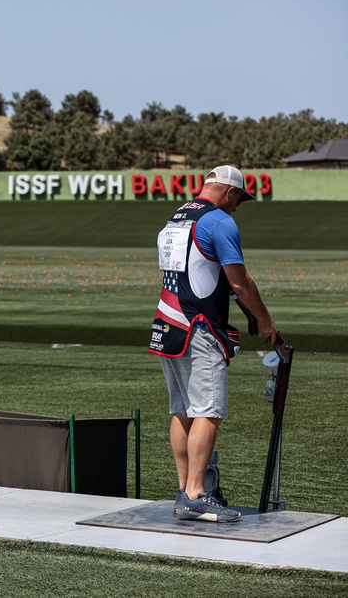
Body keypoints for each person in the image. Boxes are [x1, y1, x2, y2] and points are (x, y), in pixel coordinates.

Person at [149, 165, 279, 523]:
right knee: (208, 410)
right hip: (199, 329)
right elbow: (240, 283)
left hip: (167, 323)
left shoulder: (177, 217)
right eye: (239, 198)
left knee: (182, 409)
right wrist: (264, 319)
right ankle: (195, 495)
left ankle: (183, 490)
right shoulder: (220, 221)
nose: (237, 207)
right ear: (228, 192)